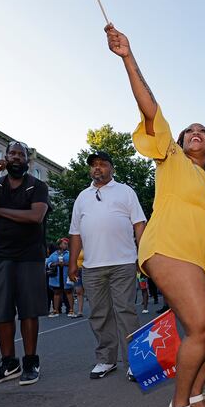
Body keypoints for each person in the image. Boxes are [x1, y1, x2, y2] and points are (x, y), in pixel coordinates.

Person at [106, 23, 205, 407]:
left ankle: (196, 393)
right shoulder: (171, 157)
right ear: (178, 142)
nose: (195, 132)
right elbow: (150, 107)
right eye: (189, 130)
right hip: (168, 247)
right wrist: (128, 57)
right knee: (200, 325)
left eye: (204, 132)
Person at [68, 150, 145, 380]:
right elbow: (75, 233)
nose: (97, 168)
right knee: (99, 314)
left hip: (123, 262)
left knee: (125, 312)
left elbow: (139, 224)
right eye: (93, 165)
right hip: (92, 267)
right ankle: (106, 360)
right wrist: (73, 263)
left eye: (102, 164)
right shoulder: (82, 197)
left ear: (111, 168)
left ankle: (134, 362)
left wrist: (143, 254)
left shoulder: (125, 191)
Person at [0, 141, 49, 386]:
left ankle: (31, 362)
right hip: (0, 256)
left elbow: (35, 216)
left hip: (30, 256)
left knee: (29, 310)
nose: (17, 157)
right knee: (1, 311)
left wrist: (0, 211)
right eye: (13, 153)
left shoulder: (37, 186)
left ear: (28, 160)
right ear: (6, 157)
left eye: (21, 154)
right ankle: (9, 363)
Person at [46, 238, 73, 318]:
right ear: (60, 245)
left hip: (66, 275)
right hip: (56, 277)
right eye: (64, 243)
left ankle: (71, 310)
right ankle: (56, 310)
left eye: (67, 244)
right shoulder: (54, 254)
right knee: (56, 293)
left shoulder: (69, 253)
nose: (66, 245)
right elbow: (48, 263)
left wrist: (65, 264)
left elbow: (74, 262)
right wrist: (55, 264)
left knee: (68, 292)